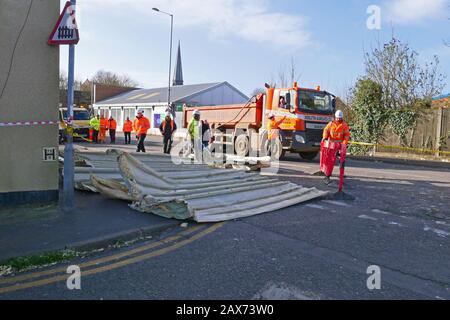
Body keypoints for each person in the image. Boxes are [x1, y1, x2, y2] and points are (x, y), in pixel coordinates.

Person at [321, 110, 351, 184]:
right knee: (329, 162)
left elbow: (347, 136)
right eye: (337, 118)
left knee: (341, 161)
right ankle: (327, 176)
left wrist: (344, 144)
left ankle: (341, 176)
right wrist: (325, 137)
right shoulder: (331, 124)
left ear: (342, 118)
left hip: (340, 146)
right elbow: (326, 130)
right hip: (331, 146)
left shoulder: (344, 125)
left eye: (339, 118)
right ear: (335, 117)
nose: (338, 119)